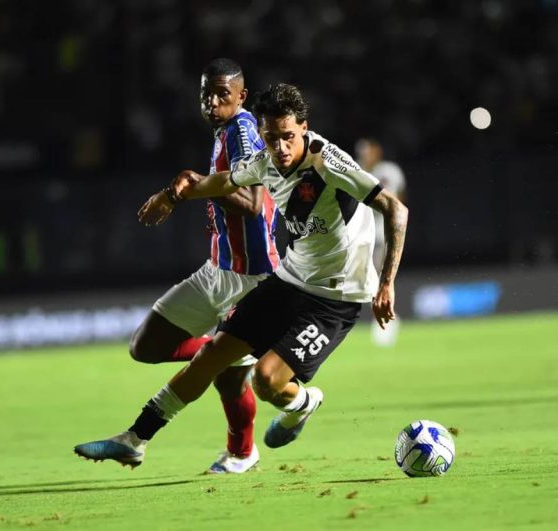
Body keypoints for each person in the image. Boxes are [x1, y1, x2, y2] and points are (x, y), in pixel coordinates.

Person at [74, 83, 408, 467]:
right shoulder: (266, 160)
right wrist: (175, 193)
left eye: (288, 137)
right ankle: (136, 438)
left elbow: (396, 210)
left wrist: (386, 284)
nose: (280, 148)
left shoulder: (328, 162)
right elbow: (223, 182)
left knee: (266, 381)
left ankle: (301, 403)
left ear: (303, 128)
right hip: (290, 278)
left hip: (336, 297)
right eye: (271, 139)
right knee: (213, 353)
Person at [75, 58, 278, 473]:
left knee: (228, 379)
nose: (212, 101)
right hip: (218, 269)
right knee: (146, 344)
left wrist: (191, 187)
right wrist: (192, 187)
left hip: (251, 278)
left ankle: (242, 453)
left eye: (223, 93)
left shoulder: (242, 130)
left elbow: (254, 205)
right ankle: (224, 352)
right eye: (206, 92)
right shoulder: (224, 132)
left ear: (242, 95)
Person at [355, 138, 406, 346]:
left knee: (381, 275)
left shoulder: (390, 170)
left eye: (369, 150)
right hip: (363, 234)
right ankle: (384, 316)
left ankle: (386, 317)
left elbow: (400, 199)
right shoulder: (355, 169)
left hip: (383, 232)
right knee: (367, 277)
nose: (366, 155)